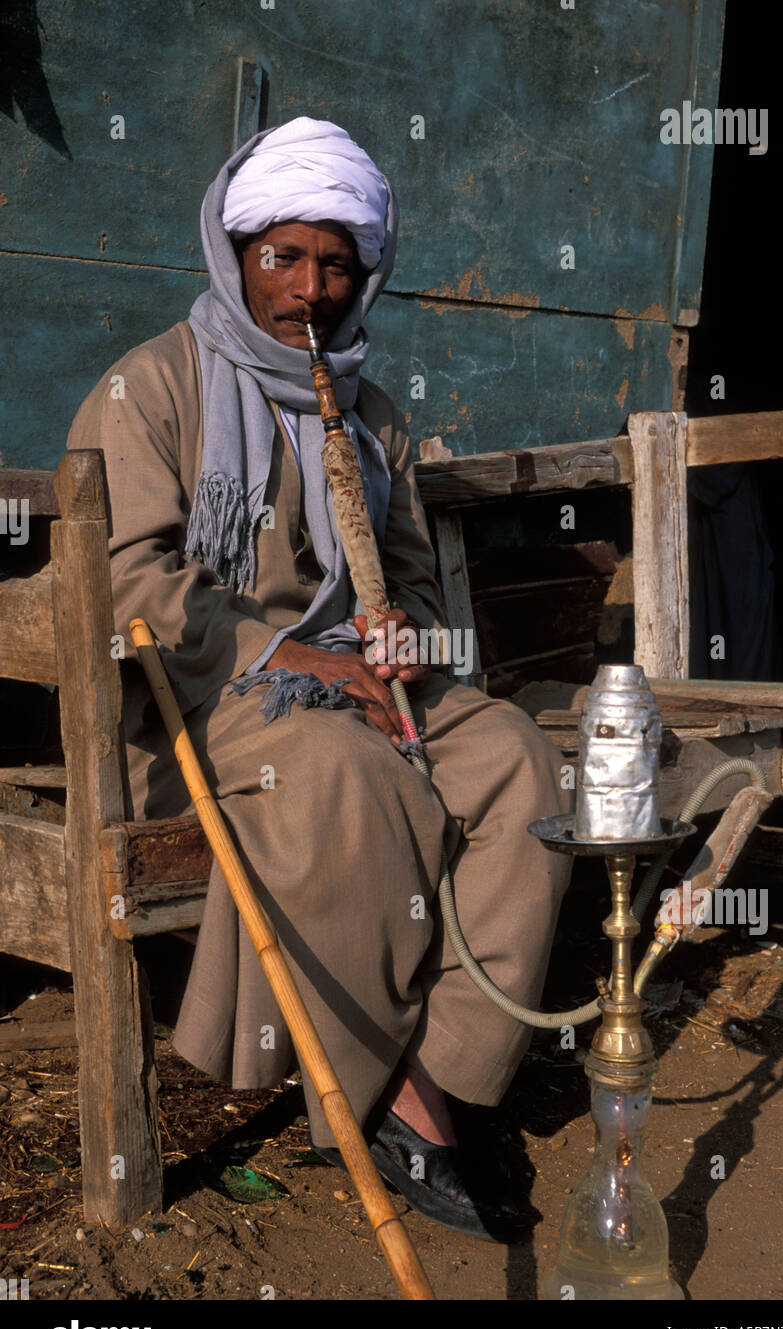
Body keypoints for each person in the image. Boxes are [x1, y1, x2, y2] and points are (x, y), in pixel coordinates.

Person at [67, 117, 573, 1241]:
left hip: (354, 682)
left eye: (336, 263)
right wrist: (287, 654)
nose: (311, 288)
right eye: (283, 258)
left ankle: (443, 1067)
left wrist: (402, 645)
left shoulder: (373, 413)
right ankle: (377, 1090)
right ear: (235, 254)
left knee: (512, 759)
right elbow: (127, 583)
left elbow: (407, 583)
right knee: (344, 773)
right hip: (206, 698)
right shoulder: (153, 386)